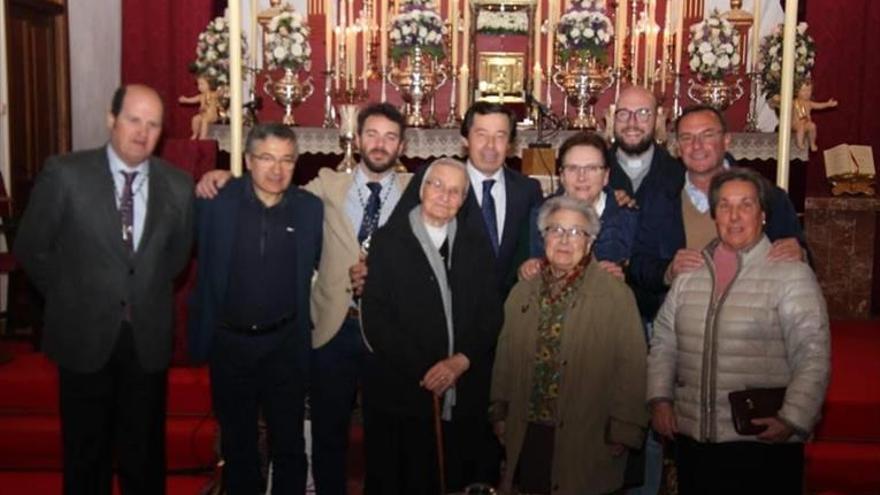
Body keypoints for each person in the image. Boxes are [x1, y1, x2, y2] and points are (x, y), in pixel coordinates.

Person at [195, 102, 410, 495]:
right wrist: (225, 176)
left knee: (382, 437)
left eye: (390, 136)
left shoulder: (418, 191)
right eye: (372, 134)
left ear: (403, 144)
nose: (380, 144)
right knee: (316, 435)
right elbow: (265, 192)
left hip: (386, 332)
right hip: (326, 329)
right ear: (357, 139)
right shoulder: (324, 189)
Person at [13, 84, 194, 494]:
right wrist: (71, 293)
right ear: (111, 120)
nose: (142, 132)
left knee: (144, 456)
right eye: (133, 120)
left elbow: (177, 256)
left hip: (145, 337)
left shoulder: (178, 185)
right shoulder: (66, 173)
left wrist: (138, 289)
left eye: (153, 125)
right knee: (85, 456)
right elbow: (32, 246)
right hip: (83, 333)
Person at [647, 167, 830, 494]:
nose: (734, 216)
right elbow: (663, 342)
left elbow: (813, 354)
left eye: (745, 205)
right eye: (724, 206)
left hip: (759, 439)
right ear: (714, 214)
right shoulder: (691, 272)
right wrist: (660, 400)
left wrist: (793, 418)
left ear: (762, 215)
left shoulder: (790, 274)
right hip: (696, 438)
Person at [188, 123, 322, 494]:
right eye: (266, 158)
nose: (277, 170)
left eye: (287, 160)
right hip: (230, 344)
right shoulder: (214, 201)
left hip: (285, 345)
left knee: (290, 445)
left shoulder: (310, 210)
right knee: (238, 445)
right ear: (247, 160)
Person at [360, 158, 503, 494]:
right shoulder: (387, 241)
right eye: (437, 185)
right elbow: (377, 319)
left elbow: (491, 313)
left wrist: (460, 361)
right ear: (422, 188)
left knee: (454, 476)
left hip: (463, 386)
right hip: (404, 387)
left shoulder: (476, 244)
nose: (444, 196)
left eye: (455, 191)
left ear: (464, 199)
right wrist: (429, 369)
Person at [491, 195, 648, 495]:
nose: (564, 239)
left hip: (588, 431)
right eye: (555, 230)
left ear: (590, 242)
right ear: (543, 238)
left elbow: (633, 365)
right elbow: (505, 358)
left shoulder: (616, 295)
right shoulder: (521, 292)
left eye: (576, 232)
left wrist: (625, 428)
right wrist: (500, 412)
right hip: (529, 429)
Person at [629, 104, 807, 322]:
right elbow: (637, 264)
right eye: (687, 137)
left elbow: (800, 256)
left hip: (752, 322)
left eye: (707, 135)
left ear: (726, 140)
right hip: (679, 320)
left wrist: (799, 254)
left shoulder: (766, 195)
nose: (697, 146)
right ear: (677, 147)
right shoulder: (657, 197)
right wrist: (667, 271)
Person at [391, 101, 543, 298]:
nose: (491, 146)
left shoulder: (527, 190)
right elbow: (398, 235)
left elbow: (536, 249)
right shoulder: (435, 179)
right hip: (448, 309)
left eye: (500, 136)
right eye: (481, 135)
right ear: (465, 140)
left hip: (510, 312)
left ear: (510, 144)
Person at [521, 132, 639, 281]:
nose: (582, 177)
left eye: (592, 168)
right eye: (572, 168)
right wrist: (530, 269)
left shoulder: (627, 216)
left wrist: (622, 276)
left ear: (606, 176)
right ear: (561, 176)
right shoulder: (541, 213)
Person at [607, 85, 684, 206]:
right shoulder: (595, 171)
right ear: (613, 119)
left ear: (658, 120)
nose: (632, 123)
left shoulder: (678, 173)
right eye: (623, 113)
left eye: (643, 113)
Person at [792, 79, 837, 152]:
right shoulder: (794, 102)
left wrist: (828, 104)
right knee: (801, 127)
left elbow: (819, 106)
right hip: (796, 124)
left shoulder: (809, 103)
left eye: (809, 90)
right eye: (803, 91)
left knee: (813, 126)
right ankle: (799, 143)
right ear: (797, 92)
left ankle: (812, 143)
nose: (806, 93)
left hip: (806, 123)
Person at [178, 75, 220, 140]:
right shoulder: (200, 96)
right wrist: (185, 99)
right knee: (195, 119)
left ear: (210, 84)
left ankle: (203, 137)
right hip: (203, 114)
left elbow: (219, 94)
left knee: (204, 120)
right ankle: (195, 133)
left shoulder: (213, 94)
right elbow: (192, 100)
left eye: (202, 84)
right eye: (198, 84)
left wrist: (219, 92)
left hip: (212, 115)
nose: (199, 87)